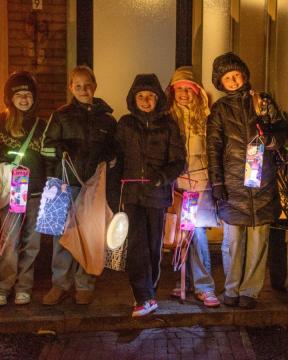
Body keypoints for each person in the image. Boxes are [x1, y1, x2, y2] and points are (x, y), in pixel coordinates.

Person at [207, 52, 287, 309]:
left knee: (258, 240)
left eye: (236, 75)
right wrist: (217, 183)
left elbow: (282, 132)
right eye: (227, 78)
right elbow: (214, 148)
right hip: (233, 185)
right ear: (220, 83)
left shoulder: (262, 101)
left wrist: (270, 139)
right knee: (233, 242)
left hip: (262, 181)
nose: (232, 81)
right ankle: (231, 288)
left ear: (244, 74)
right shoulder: (219, 109)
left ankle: (250, 292)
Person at [41, 65, 117, 305]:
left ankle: (85, 284)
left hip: (93, 187)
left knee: (89, 235)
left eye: (88, 85)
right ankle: (60, 284)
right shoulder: (60, 115)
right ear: (70, 88)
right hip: (62, 185)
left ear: (95, 85)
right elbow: (46, 146)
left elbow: (115, 148)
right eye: (78, 86)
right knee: (62, 237)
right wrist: (61, 149)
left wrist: (111, 155)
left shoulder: (107, 119)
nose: (83, 89)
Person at [116, 73, 186, 317]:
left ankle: (148, 293)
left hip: (157, 195)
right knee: (136, 245)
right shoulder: (125, 124)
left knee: (154, 245)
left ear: (158, 99)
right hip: (133, 194)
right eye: (141, 96)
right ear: (133, 98)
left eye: (150, 96)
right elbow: (118, 157)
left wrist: (163, 177)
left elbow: (179, 161)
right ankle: (143, 296)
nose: (145, 101)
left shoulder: (168, 125)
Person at [166, 66, 220, 307]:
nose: (184, 94)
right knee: (181, 235)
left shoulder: (206, 117)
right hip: (177, 183)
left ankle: (204, 286)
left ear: (196, 91)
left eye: (188, 89)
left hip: (200, 182)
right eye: (179, 89)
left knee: (196, 234)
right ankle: (183, 282)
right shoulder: (168, 118)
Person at [0, 71, 46, 306]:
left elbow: (49, 158)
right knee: (9, 241)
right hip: (14, 187)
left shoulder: (42, 125)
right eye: (19, 94)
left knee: (32, 242)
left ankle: (24, 287)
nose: (24, 99)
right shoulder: (1, 122)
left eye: (28, 94)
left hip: (37, 189)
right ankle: (4, 285)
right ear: (10, 97)